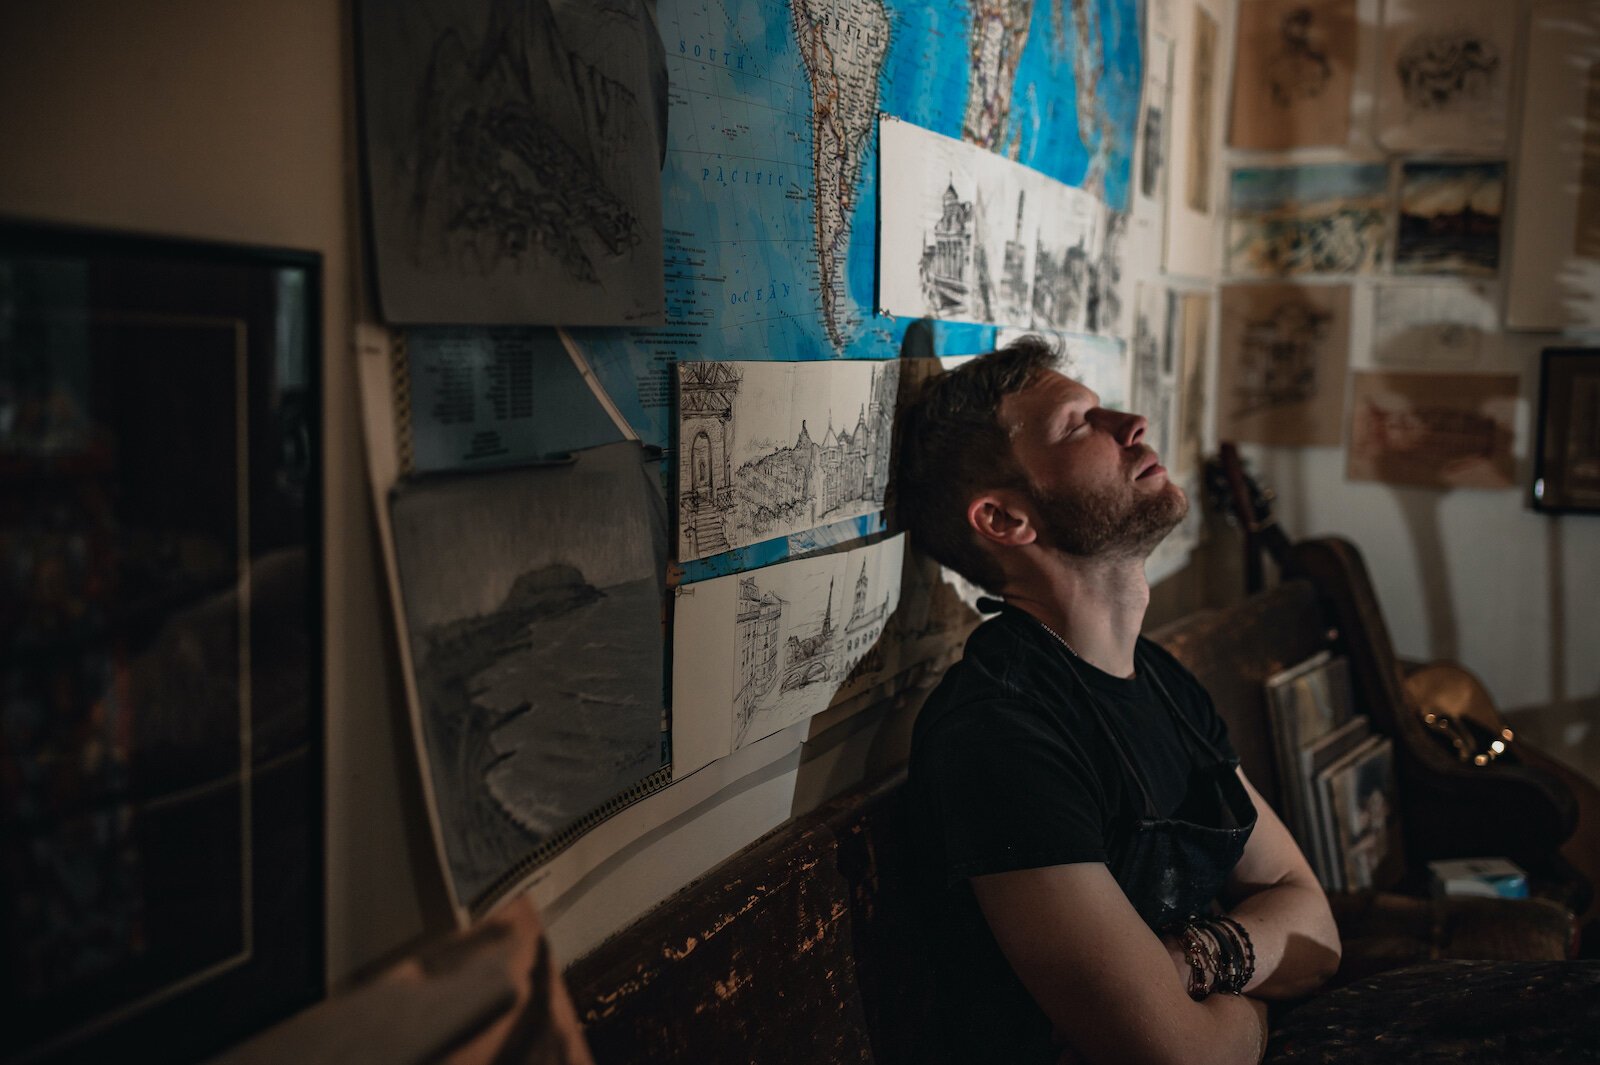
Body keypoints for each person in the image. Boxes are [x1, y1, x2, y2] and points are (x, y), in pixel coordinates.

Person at [898, 338, 1341, 1065]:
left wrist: (1190, 963)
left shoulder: (1159, 676)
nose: (1131, 423)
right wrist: (1259, 1009)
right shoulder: (999, 732)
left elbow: (1315, 926)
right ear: (1005, 521)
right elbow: (1178, 1053)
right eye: (1080, 423)